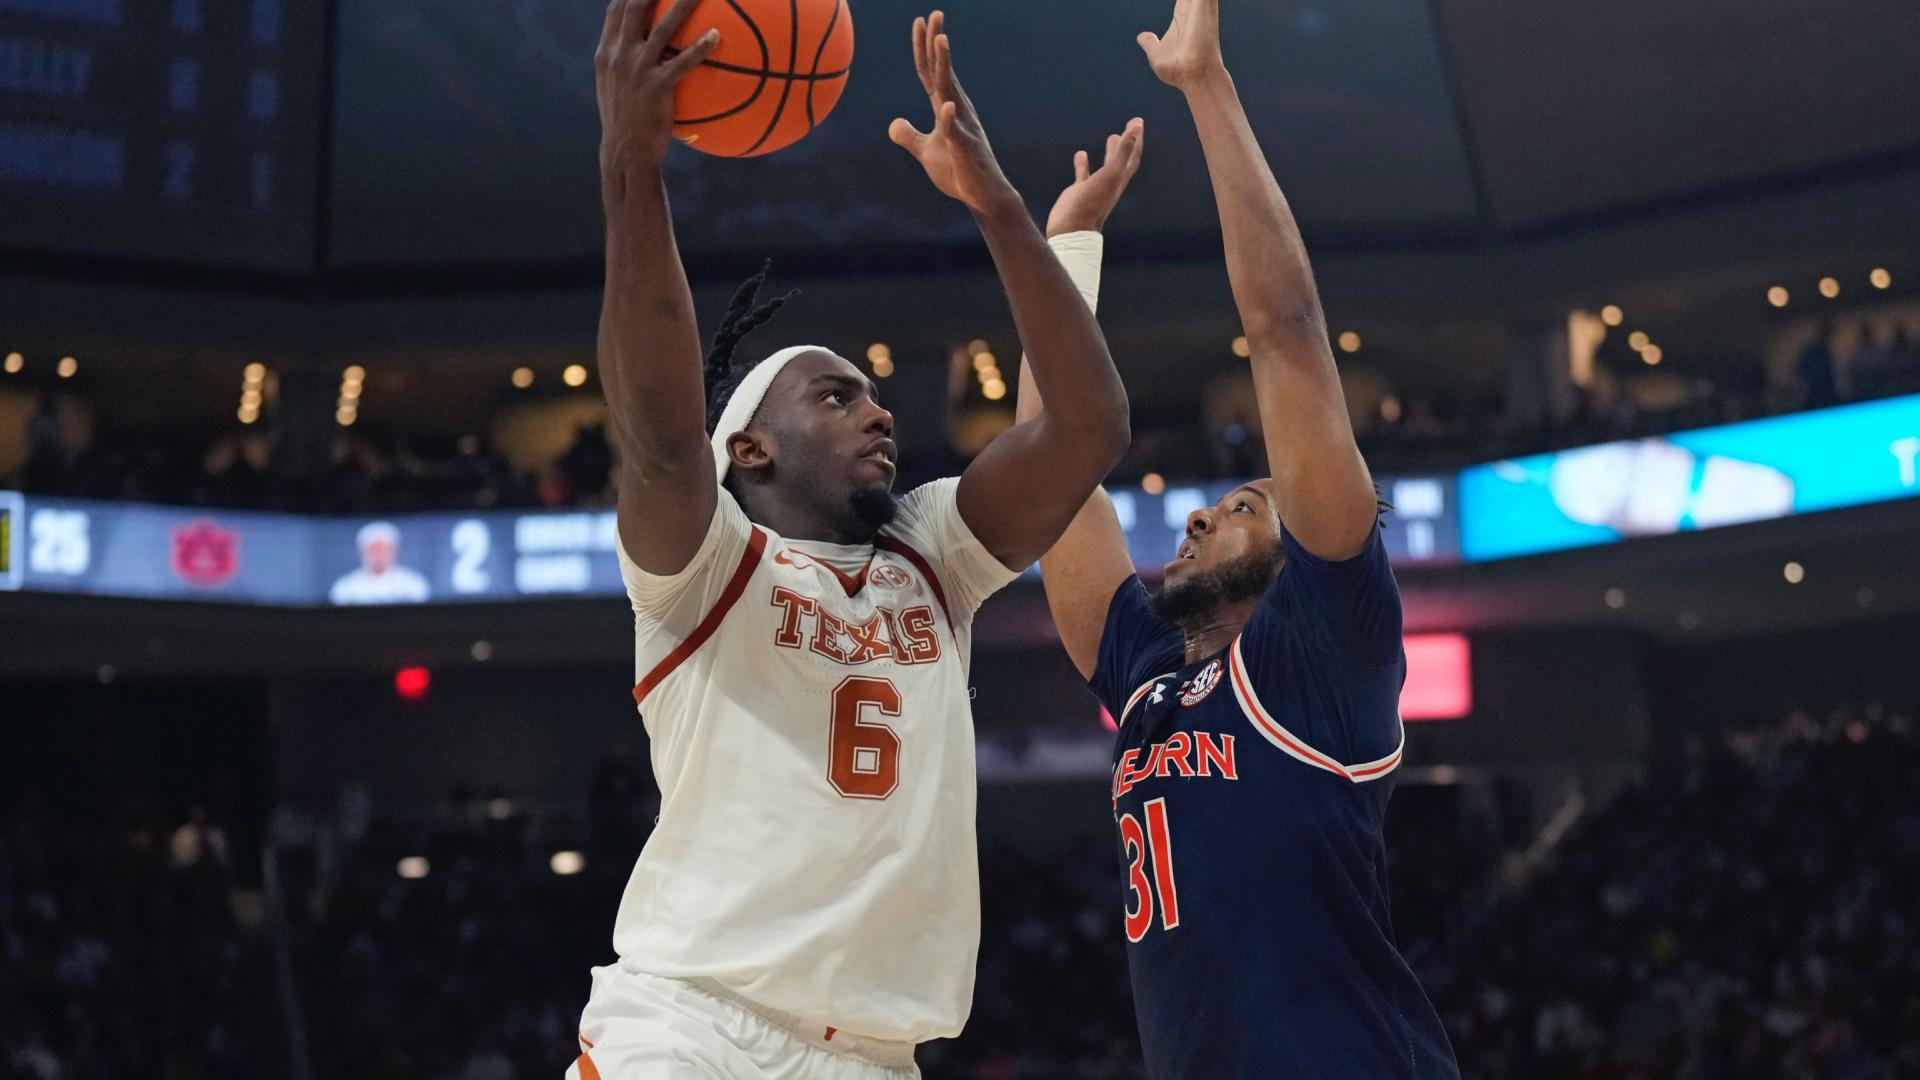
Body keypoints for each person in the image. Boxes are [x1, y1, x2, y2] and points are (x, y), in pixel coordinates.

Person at [578, 2, 1141, 1077]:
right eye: (836, 399)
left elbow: (1087, 429)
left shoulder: (930, 554)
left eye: (876, 396)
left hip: (879, 1055)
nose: (878, 414)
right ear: (748, 451)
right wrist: (631, 166)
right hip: (691, 1028)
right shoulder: (705, 571)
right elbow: (655, 437)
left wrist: (1001, 209)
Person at [1014, 0, 1458, 1075]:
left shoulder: (1323, 654)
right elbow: (1051, 463)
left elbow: (1283, 333)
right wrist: (1066, 247)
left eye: (1245, 508)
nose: (1204, 513)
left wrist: (1206, 87)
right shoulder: (1149, 674)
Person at [329, 520, 431, 604]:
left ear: (394, 551)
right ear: (363, 551)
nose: (379, 554)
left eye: (383, 549)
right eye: (374, 549)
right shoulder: (345, 587)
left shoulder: (413, 584)